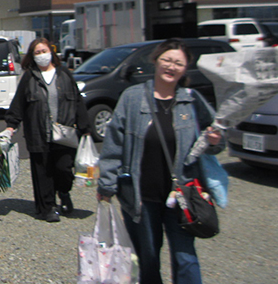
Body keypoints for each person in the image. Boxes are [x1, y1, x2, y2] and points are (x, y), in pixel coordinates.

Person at [96, 38, 224, 284]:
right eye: (167, 60)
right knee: (148, 257)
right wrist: (107, 185)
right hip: (141, 197)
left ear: (185, 68)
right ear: (155, 61)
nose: (171, 67)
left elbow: (216, 139)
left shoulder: (192, 99)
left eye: (178, 63)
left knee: (185, 258)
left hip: (183, 196)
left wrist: (216, 140)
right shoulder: (132, 98)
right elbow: (114, 144)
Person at [0, 37, 90, 223]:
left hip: (64, 133)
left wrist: (85, 128)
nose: (42, 55)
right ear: (32, 57)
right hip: (38, 133)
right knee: (43, 173)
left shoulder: (64, 74)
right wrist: (11, 125)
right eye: (37, 53)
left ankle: (64, 193)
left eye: (44, 51)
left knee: (64, 169)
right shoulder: (29, 77)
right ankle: (46, 208)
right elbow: (19, 104)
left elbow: (78, 102)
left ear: (52, 52)